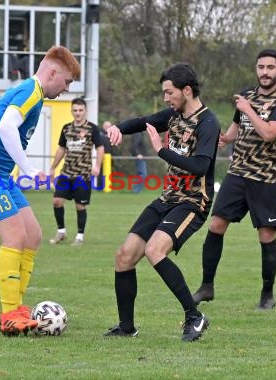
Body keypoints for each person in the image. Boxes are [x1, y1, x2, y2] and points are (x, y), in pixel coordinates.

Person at [0, 46, 80, 336]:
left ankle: (19, 308)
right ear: (52, 73)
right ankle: (10, 314)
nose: (66, 89)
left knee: (32, 235)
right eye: (67, 82)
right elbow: (6, 127)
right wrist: (27, 169)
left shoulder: (30, 92)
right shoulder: (31, 92)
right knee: (14, 236)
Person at [103, 62, 220, 342]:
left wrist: (162, 151)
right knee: (124, 256)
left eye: (170, 93)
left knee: (155, 250)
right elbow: (143, 121)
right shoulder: (172, 116)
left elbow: (200, 166)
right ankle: (127, 327)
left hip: (193, 202)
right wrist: (118, 128)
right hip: (167, 199)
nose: (166, 99)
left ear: (187, 90)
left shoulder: (208, 122)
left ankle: (195, 316)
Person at [192, 49, 276, 310]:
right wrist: (225, 138)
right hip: (238, 173)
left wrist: (248, 109)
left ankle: (267, 294)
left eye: (270, 67)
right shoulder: (247, 95)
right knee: (216, 225)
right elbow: (237, 128)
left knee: (266, 235)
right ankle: (207, 287)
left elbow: (269, 133)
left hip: (267, 177)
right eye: (261, 67)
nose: (265, 72)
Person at [48, 97, 104, 246]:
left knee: (80, 205)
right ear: (71, 111)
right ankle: (61, 232)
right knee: (57, 201)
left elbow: (100, 148)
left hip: (83, 175)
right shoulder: (67, 128)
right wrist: (53, 167)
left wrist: (97, 166)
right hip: (66, 173)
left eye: (80, 110)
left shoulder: (92, 129)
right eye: (75, 110)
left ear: (85, 111)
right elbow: (61, 149)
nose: (77, 113)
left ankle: (79, 236)